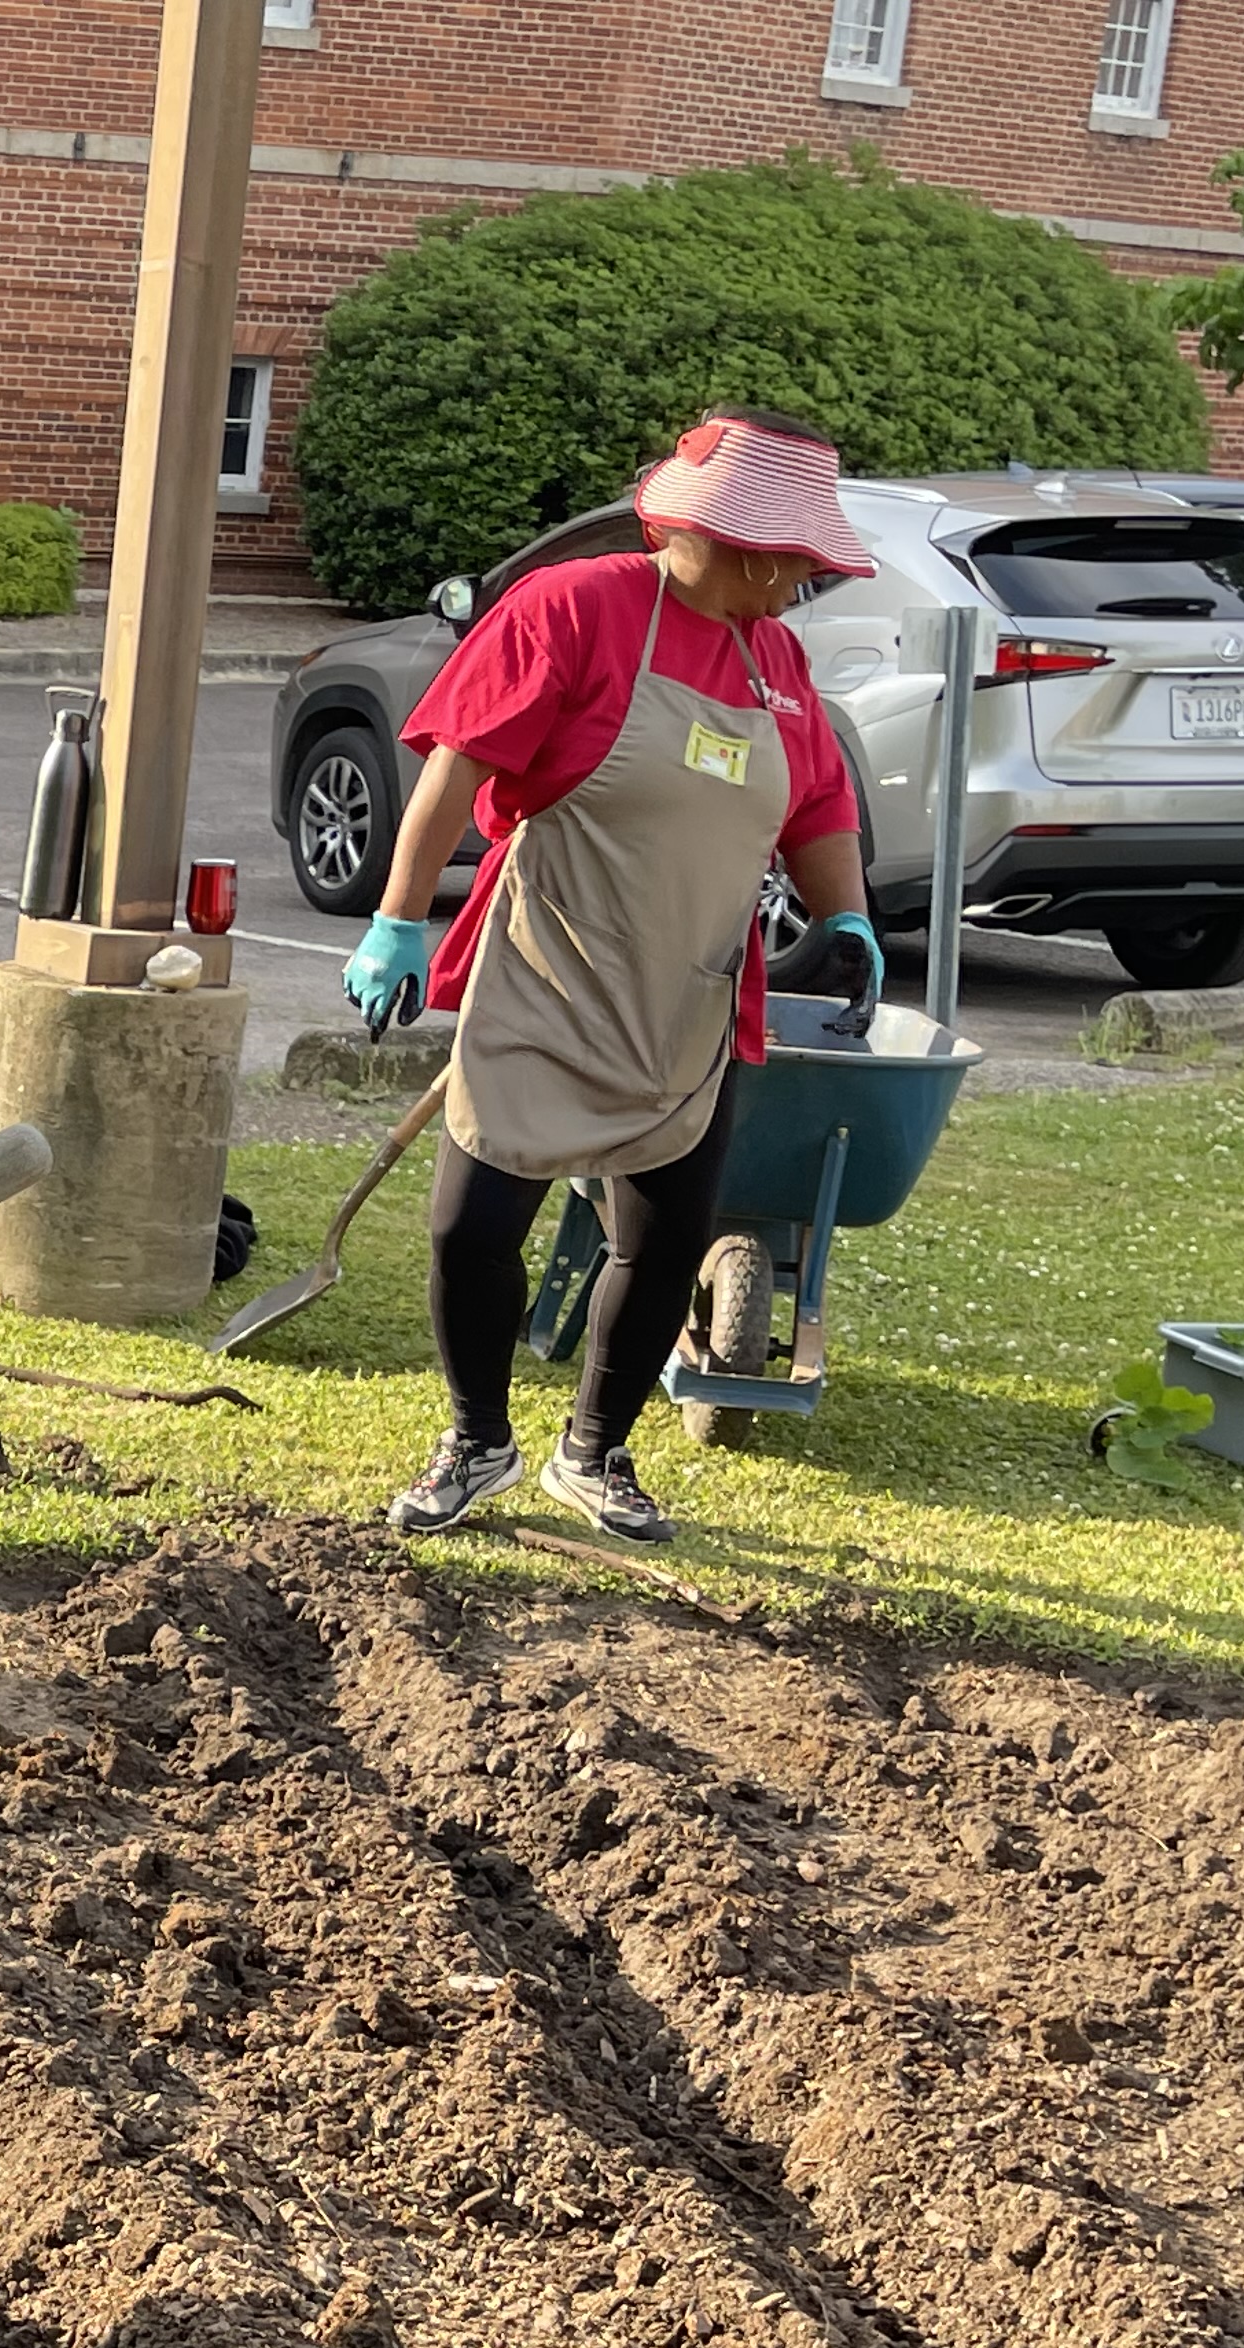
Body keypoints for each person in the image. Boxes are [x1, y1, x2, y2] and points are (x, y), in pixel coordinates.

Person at [343, 408, 886, 1544]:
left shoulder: (775, 658)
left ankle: (596, 1453)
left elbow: (820, 802)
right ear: (732, 540)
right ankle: (476, 1442)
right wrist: (395, 920)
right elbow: (459, 767)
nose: (803, 581)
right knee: (471, 1227)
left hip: (692, 993)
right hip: (549, 966)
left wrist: (847, 919)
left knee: (662, 1237)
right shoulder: (573, 610)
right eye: (794, 558)